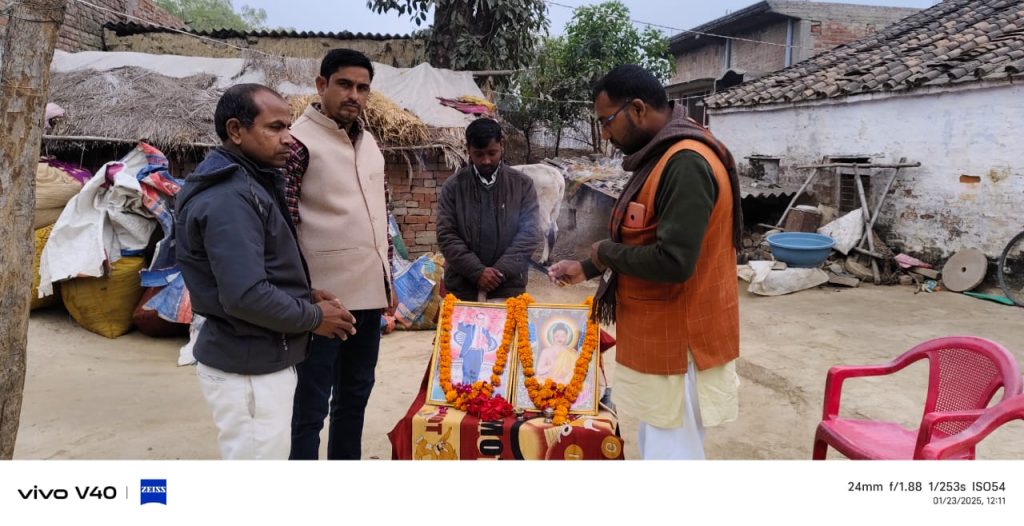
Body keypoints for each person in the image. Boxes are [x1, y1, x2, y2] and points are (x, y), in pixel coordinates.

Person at [548, 65, 743, 460]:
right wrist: (587, 268)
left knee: (672, 457)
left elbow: (674, 261)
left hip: (680, 346)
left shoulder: (685, 162)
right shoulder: (663, 156)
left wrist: (603, 253)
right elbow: (644, 237)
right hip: (664, 342)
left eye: (607, 121)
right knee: (662, 446)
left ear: (637, 109)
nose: (605, 134)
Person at [175, 83, 355, 460]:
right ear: (236, 131)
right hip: (248, 367)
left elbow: (254, 270)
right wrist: (313, 317)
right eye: (275, 128)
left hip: (257, 356)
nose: (289, 138)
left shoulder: (249, 181)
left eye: (288, 126)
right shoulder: (229, 197)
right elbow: (245, 295)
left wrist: (303, 295)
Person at [284, 49, 395, 460]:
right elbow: (283, 226)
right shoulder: (297, 142)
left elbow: (381, 215)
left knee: (355, 396)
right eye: (344, 84)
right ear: (321, 85)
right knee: (310, 405)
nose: (354, 95)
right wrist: (302, 296)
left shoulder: (370, 143)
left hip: (369, 295)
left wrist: (388, 281)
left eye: (362, 88)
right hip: (322, 302)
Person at [437, 118, 543, 302]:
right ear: (468, 150)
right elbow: (446, 235)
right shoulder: (453, 187)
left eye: (492, 153)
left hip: (508, 288)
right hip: (463, 289)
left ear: (501, 146)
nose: (486, 160)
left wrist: (498, 273)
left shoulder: (522, 185)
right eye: (478, 154)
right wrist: (477, 272)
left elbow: (530, 234)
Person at [452, 311, 498, 384]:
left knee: (475, 373)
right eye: (479, 318)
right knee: (466, 371)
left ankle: (474, 388)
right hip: (469, 352)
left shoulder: (485, 331)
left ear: (484, 321)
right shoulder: (470, 328)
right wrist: (462, 318)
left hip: (478, 353)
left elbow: (489, 342)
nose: (480, 321)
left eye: (482, 319)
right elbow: (460, 327)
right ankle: (464, 387)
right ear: (475, 319)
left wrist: (486, 345)